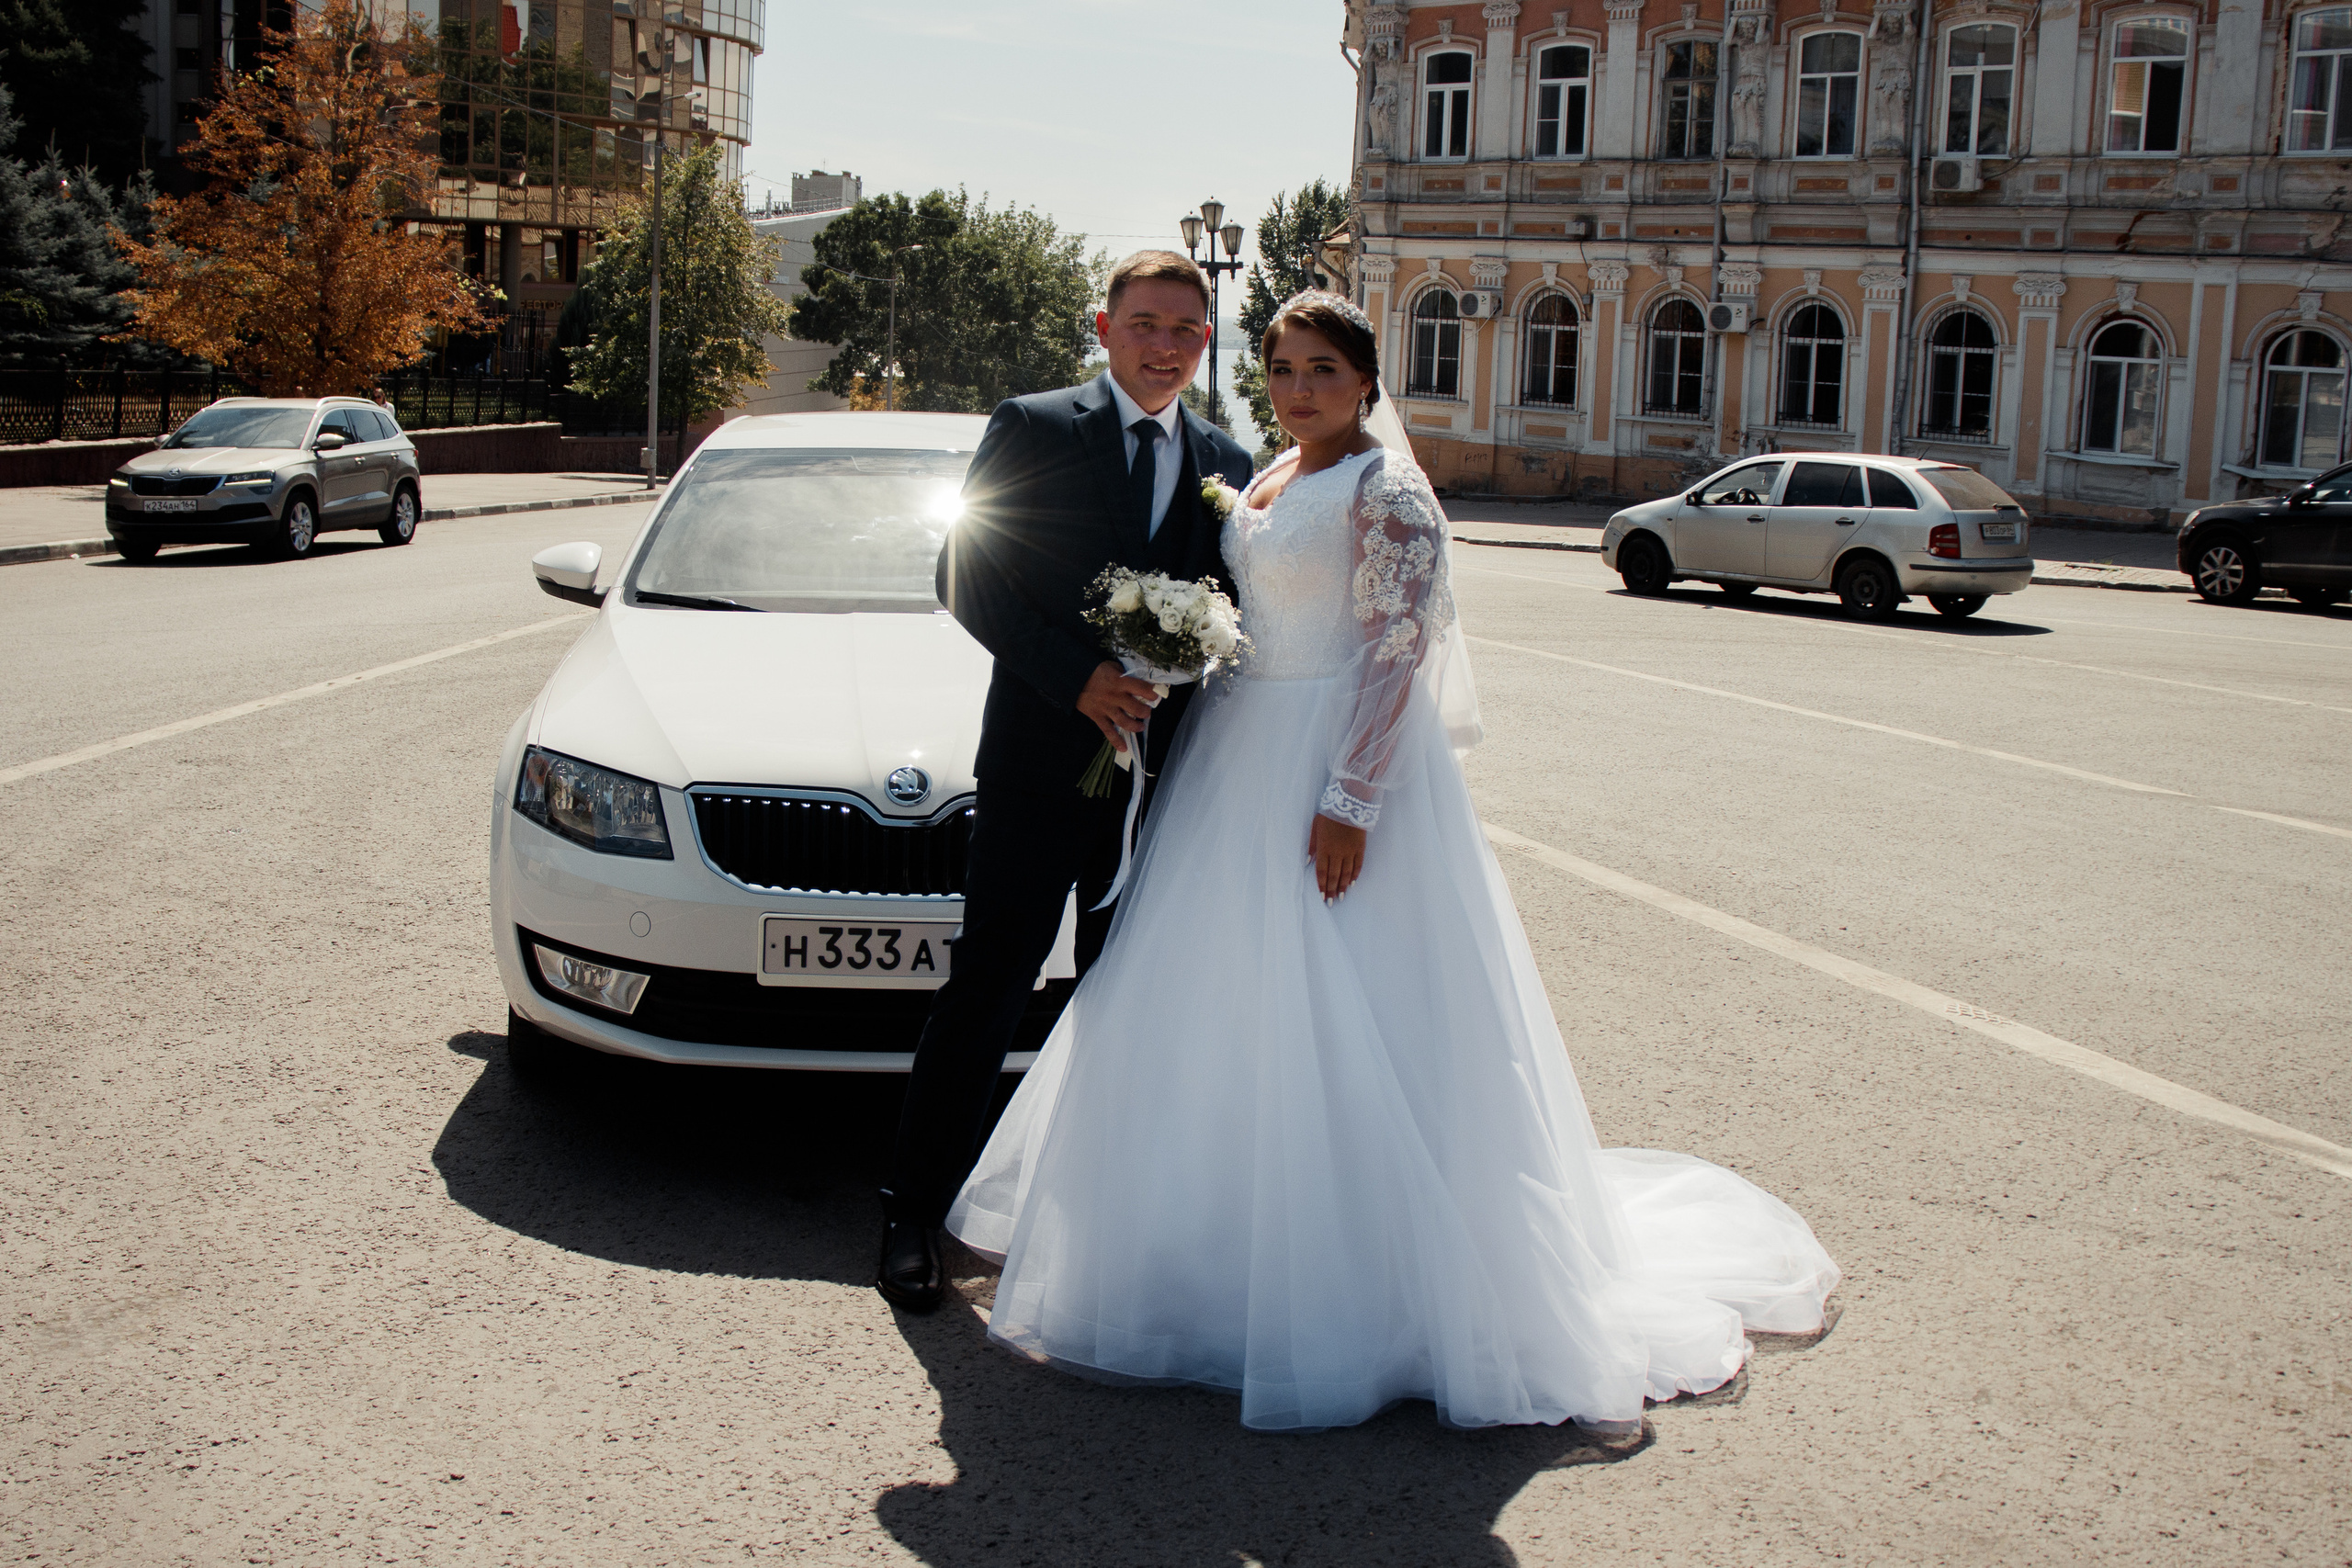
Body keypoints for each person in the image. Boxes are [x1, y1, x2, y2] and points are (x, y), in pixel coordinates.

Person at [942, 292, 1842, 1433]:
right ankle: (1212, 1250)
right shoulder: (1264, 475)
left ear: (1367, 379)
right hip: (1233, 762)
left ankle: (1375, 1282)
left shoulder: (1389, 487)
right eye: (1279, 366)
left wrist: (1349, 801)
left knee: (1355, 1006)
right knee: (1224, 1008)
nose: (1299, 386)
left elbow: (1394, 651)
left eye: (1322, 367)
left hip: (1329, 768)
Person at [875, 252, 1256, 1312]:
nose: (1164, 345)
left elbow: (1237, 605)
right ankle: (912, 1211)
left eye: (1185, 330)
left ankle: (1090, 1228)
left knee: (1122, 997)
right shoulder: (1035, 427)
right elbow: (963, 571)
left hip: (1163, 785)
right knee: (989, 984)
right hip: (1041, 764)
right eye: (1144, 322)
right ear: (1104, 325)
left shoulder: (1228, 458)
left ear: (1205, 342)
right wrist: (1078, 679)